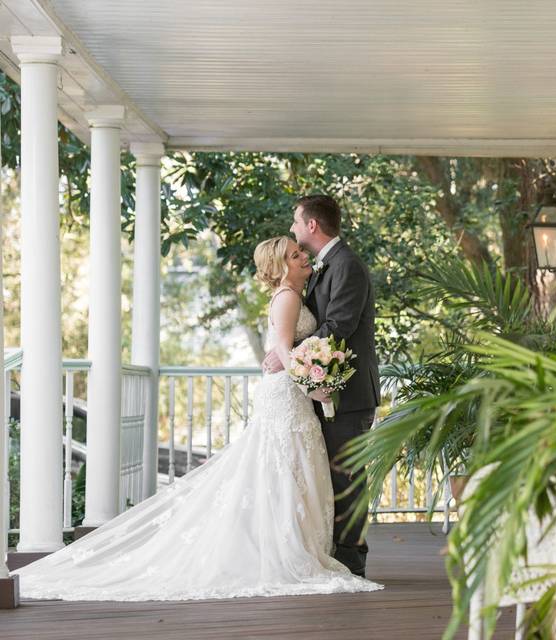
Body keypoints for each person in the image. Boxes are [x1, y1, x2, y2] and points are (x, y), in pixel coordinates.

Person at [12, 236, 381, 601]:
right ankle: (282, 553)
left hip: (292, 397)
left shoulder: (296, 296)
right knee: (283, 470)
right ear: (281, 266)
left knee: (291, 472)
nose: (304, 257)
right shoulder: (287, 298)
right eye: (295, 254)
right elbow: (284, 350)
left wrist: (308, 378)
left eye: (301, 251)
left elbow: (286, 350)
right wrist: (311, 386)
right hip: (287, 396)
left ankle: (295, 546)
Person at [262, 194, 380, 577]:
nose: (293, 228)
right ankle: (324, 552)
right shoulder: (320, 269)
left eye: (296, 221)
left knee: (347, 476)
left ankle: (351, 560)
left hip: (349, 394)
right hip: (321, 389)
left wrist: (288, 352)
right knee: (325, 477)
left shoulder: (347, 266)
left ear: (312, 225)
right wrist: (291, 355)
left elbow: (339, 326)